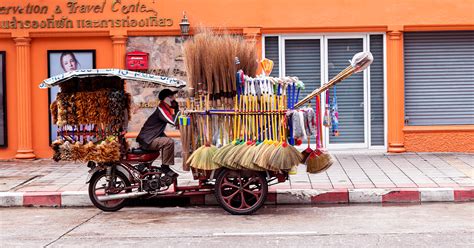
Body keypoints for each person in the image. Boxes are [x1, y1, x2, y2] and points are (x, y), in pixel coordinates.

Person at [136, 89, 180, 177]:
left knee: (165, 138)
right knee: (168, 142)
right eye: (171, 97)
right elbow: (173, 121)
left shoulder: (165, 109)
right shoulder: (161, 110)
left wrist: (175, 109)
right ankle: (165, 167)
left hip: (150, 137)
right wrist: (177, 110)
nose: (174, 99)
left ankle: (145, 165)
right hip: (148, 140)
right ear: (165, 99)